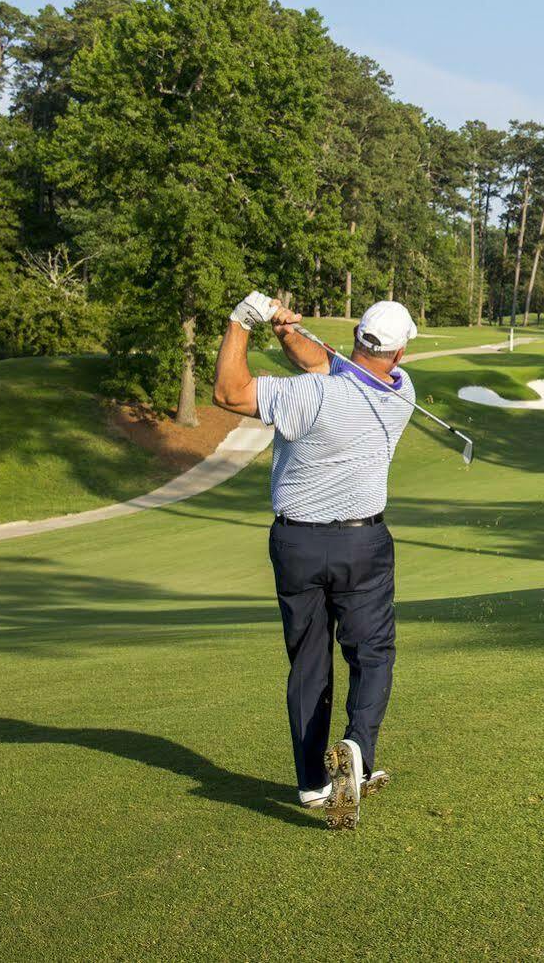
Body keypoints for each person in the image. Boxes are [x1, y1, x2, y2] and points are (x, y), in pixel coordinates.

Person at [212, 292, 420, 830]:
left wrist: (243, 323)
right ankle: (358, 749)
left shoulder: (307, 397)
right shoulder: (401, 392)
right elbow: (324, 362)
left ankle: (311, 784)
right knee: (372, 654)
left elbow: (228, 392)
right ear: (397, 355)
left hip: (297, 546)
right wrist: (285, 332)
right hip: (363, 544)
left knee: (308, 662)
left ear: (357, 337)